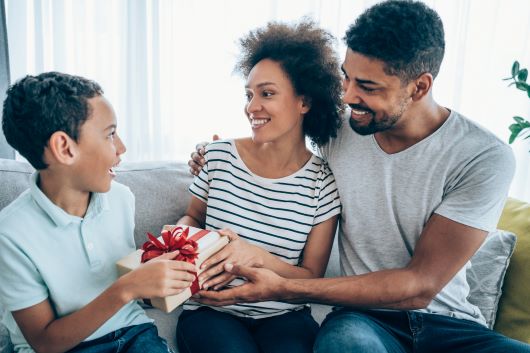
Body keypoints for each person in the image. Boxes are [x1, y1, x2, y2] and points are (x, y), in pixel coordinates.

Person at [189, 1, 530, 352]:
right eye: (346, 76)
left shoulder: (483, 156)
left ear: (419, 87)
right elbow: (273, 127)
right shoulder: (341, 128)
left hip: (453, 328)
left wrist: (282, 286)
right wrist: (210, 155)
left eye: (367, 86)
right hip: (363, 322)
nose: (348, 96)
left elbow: (420, 286)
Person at [176, 20, 342, 353]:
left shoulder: (323, 183)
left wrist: (258, 257)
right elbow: (192, 218)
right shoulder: (218, 156)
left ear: (304, 102)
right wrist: (181, 239)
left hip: (285, 317)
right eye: (249, 94)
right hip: (211, 310)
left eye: (267, 94)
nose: (252, 107)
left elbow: (311, 277)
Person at [0, 72, 197, 353]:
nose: (121, 148)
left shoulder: (120, 198)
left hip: (133, 333)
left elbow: (129, 281)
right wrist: (126, 289)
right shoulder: (10, 234)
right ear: (65, 148)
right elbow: (45, 342)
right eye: (110, 134)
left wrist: (158, 276)